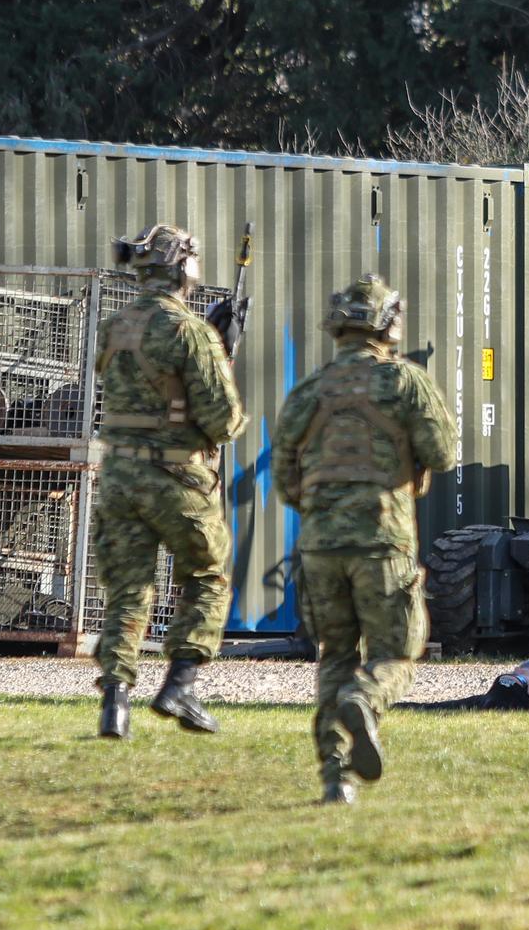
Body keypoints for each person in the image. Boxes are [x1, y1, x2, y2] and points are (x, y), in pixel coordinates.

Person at [273, 273, 456, 805]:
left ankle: (336, 779)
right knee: (396, 651)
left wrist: (318, 513)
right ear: (389, 323)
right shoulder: (405, 382)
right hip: (383, 541)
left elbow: (285, 469)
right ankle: (365, 698)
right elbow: (442, 454)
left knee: (334, 654)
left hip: (320, 547)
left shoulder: (311, 389)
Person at [92, 224, 247, 739]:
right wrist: (221, 351)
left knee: (127, 589)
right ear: (183, 266)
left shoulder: (113, 326)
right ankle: (180, 685)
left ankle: (115, 701)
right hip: (177, 477)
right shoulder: (192, 332)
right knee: (207, 577)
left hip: (118, 476)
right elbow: (222, 422)